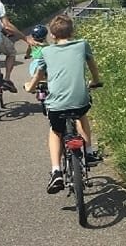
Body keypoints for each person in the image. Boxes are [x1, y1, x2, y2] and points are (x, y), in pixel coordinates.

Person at [23, 14, 103, 194]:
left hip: (57, 104)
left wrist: (30, 87)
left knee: (55, 130)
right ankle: (89, 152)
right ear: (72, 32)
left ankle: (56, 171)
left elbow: (38, 75)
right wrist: (95, 81)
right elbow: (92, 66)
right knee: (81, 116)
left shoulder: (46, 51)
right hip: (79, 99)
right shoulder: (82, 45)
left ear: (52, 35)